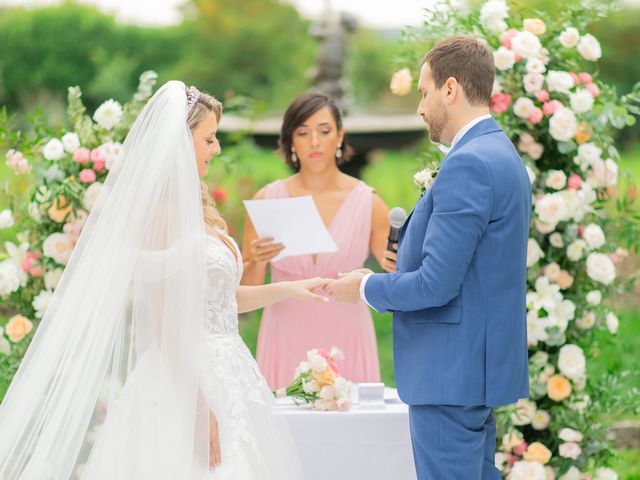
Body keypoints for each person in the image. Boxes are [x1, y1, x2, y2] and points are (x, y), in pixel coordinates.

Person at [0, 81, 328, 479]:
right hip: (183, 378)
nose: (216, 148)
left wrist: (288, 290)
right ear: (179, 140)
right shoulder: (161, 213)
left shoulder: (196, 206)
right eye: (209, 139)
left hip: (230, 373)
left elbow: (220, 301)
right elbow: (164, 319)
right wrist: (196, 405)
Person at [326, 35, 532, 479]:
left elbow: (436, 285)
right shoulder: (502, 154)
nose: (420, 108)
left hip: (449, 376)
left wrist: (362, 286)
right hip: (474, 372)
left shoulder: (469, 163)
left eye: (424, 92)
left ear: (451, 89)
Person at [241, 91, 396, 390]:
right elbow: (246, 294)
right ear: (290, 141)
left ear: (339, 136)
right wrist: (258, 261)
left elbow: (396, 276)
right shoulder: (267, 200)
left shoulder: (369, 202)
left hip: (347, 334)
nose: (314, 141)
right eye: (303, 132)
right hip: (284, 332)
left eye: (324, 131)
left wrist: (390, 266)